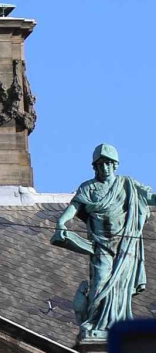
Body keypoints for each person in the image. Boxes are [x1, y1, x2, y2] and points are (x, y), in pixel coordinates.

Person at [52, 143, 154, 341]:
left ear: (115, 165)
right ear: (95, 167)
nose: (105, 168)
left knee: (121, 287)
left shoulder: (128, 185)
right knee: (100, 282)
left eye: (108, 164)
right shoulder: (88, 187)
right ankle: (98, 321)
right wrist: (61, 222)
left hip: (125, 244)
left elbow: (149, 197)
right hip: (101, 245)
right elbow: (74, 207)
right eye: (101, 164)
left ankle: (118, 324)